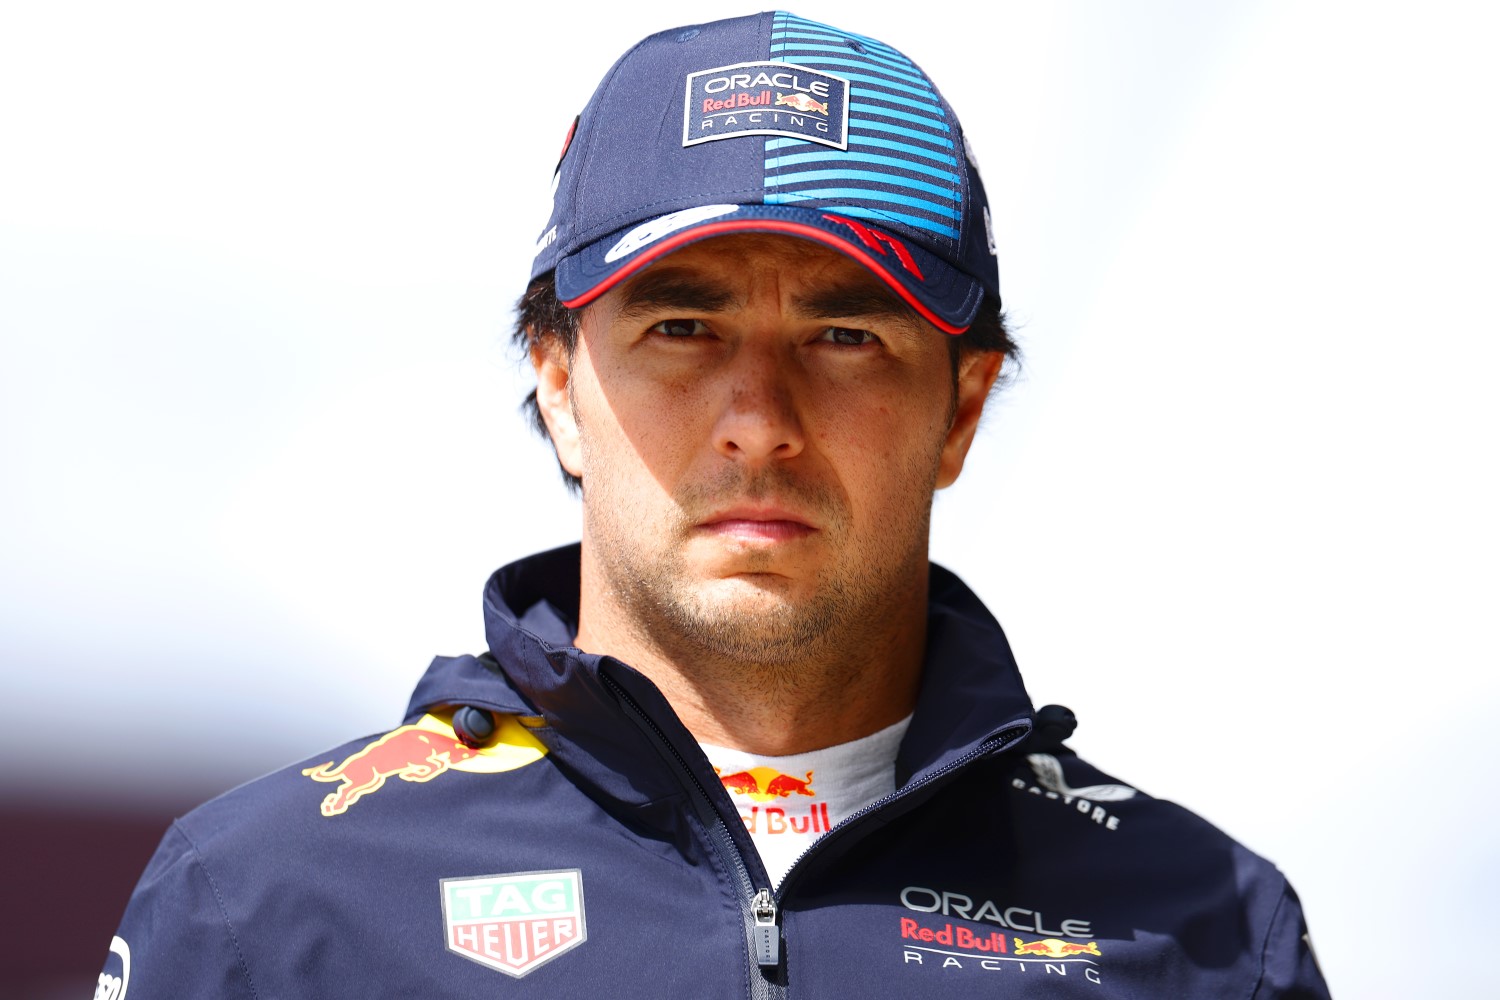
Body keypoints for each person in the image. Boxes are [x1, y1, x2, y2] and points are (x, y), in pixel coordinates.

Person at [97, 12, 1329, 998]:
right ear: (561, 385)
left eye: (845, 334)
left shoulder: (1205, 929)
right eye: (683, 327)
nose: (759, 416)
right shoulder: (272, 904)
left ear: (962, 406)